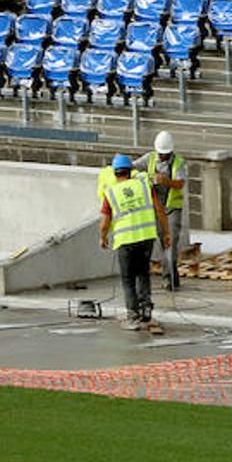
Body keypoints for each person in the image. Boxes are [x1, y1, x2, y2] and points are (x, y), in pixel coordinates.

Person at [98, 154, 171, 333]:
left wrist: (103, 237)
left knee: (128, 279)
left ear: (115, 173)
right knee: (143, 274)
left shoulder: (111, 192)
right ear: (131, 171)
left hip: (125, 242)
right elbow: (159, 209)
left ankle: (133, 317)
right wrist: (167, 232)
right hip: (146, 238)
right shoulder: (143, 185)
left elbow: (105, 221)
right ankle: (146, 311)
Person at [145, 131, 188, 291]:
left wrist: (166, 181)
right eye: (161, 154)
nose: (163, 156)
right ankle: (172, 276)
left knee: (171, 242)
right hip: (157, 208)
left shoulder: (178, 162)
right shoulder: (149, 158)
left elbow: (180, 184)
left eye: (166, 154)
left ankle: (168, 277)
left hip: (172, 208)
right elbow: (134, 168)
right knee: (163, 242)